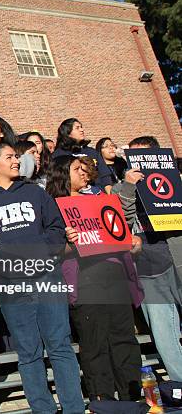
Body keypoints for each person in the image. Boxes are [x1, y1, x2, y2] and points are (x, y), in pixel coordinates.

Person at [0, 143, 85, 414]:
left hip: (47, 276)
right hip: (12, 286)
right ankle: (42, 410)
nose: (16, 161)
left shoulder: (36, 192)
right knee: (28, 352)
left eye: (16, 156)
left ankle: (74, 409)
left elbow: (57, 229)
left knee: (59, 346)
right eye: (10, 157)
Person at [47, 155, 143, 402]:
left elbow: (120, 233)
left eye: (84, 168)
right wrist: (68, 243)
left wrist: (132, 243)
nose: (83, 172)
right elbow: (52, 250)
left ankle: (131, 397)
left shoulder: (100, 200)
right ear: (61, 174)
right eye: (76, 169)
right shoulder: (53, 208)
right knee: (95, 344)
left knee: (124, 339)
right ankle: (104, 401)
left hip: (114, 274)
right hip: (84, 280)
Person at [113, 135, 182, 381]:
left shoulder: (177, 181)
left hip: (177, 255)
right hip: (148, 268)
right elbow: (121, 225)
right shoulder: (121, 188)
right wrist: (129, 187)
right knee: (164, 334)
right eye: (132, 157)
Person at [52, 118, 112, 192]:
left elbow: (105, 177)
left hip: (98, 195)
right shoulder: (59, 154)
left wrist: (110, 195)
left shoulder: (92, 152)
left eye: (81, 127)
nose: (82, 130)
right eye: (77, 128)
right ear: (67, 133)